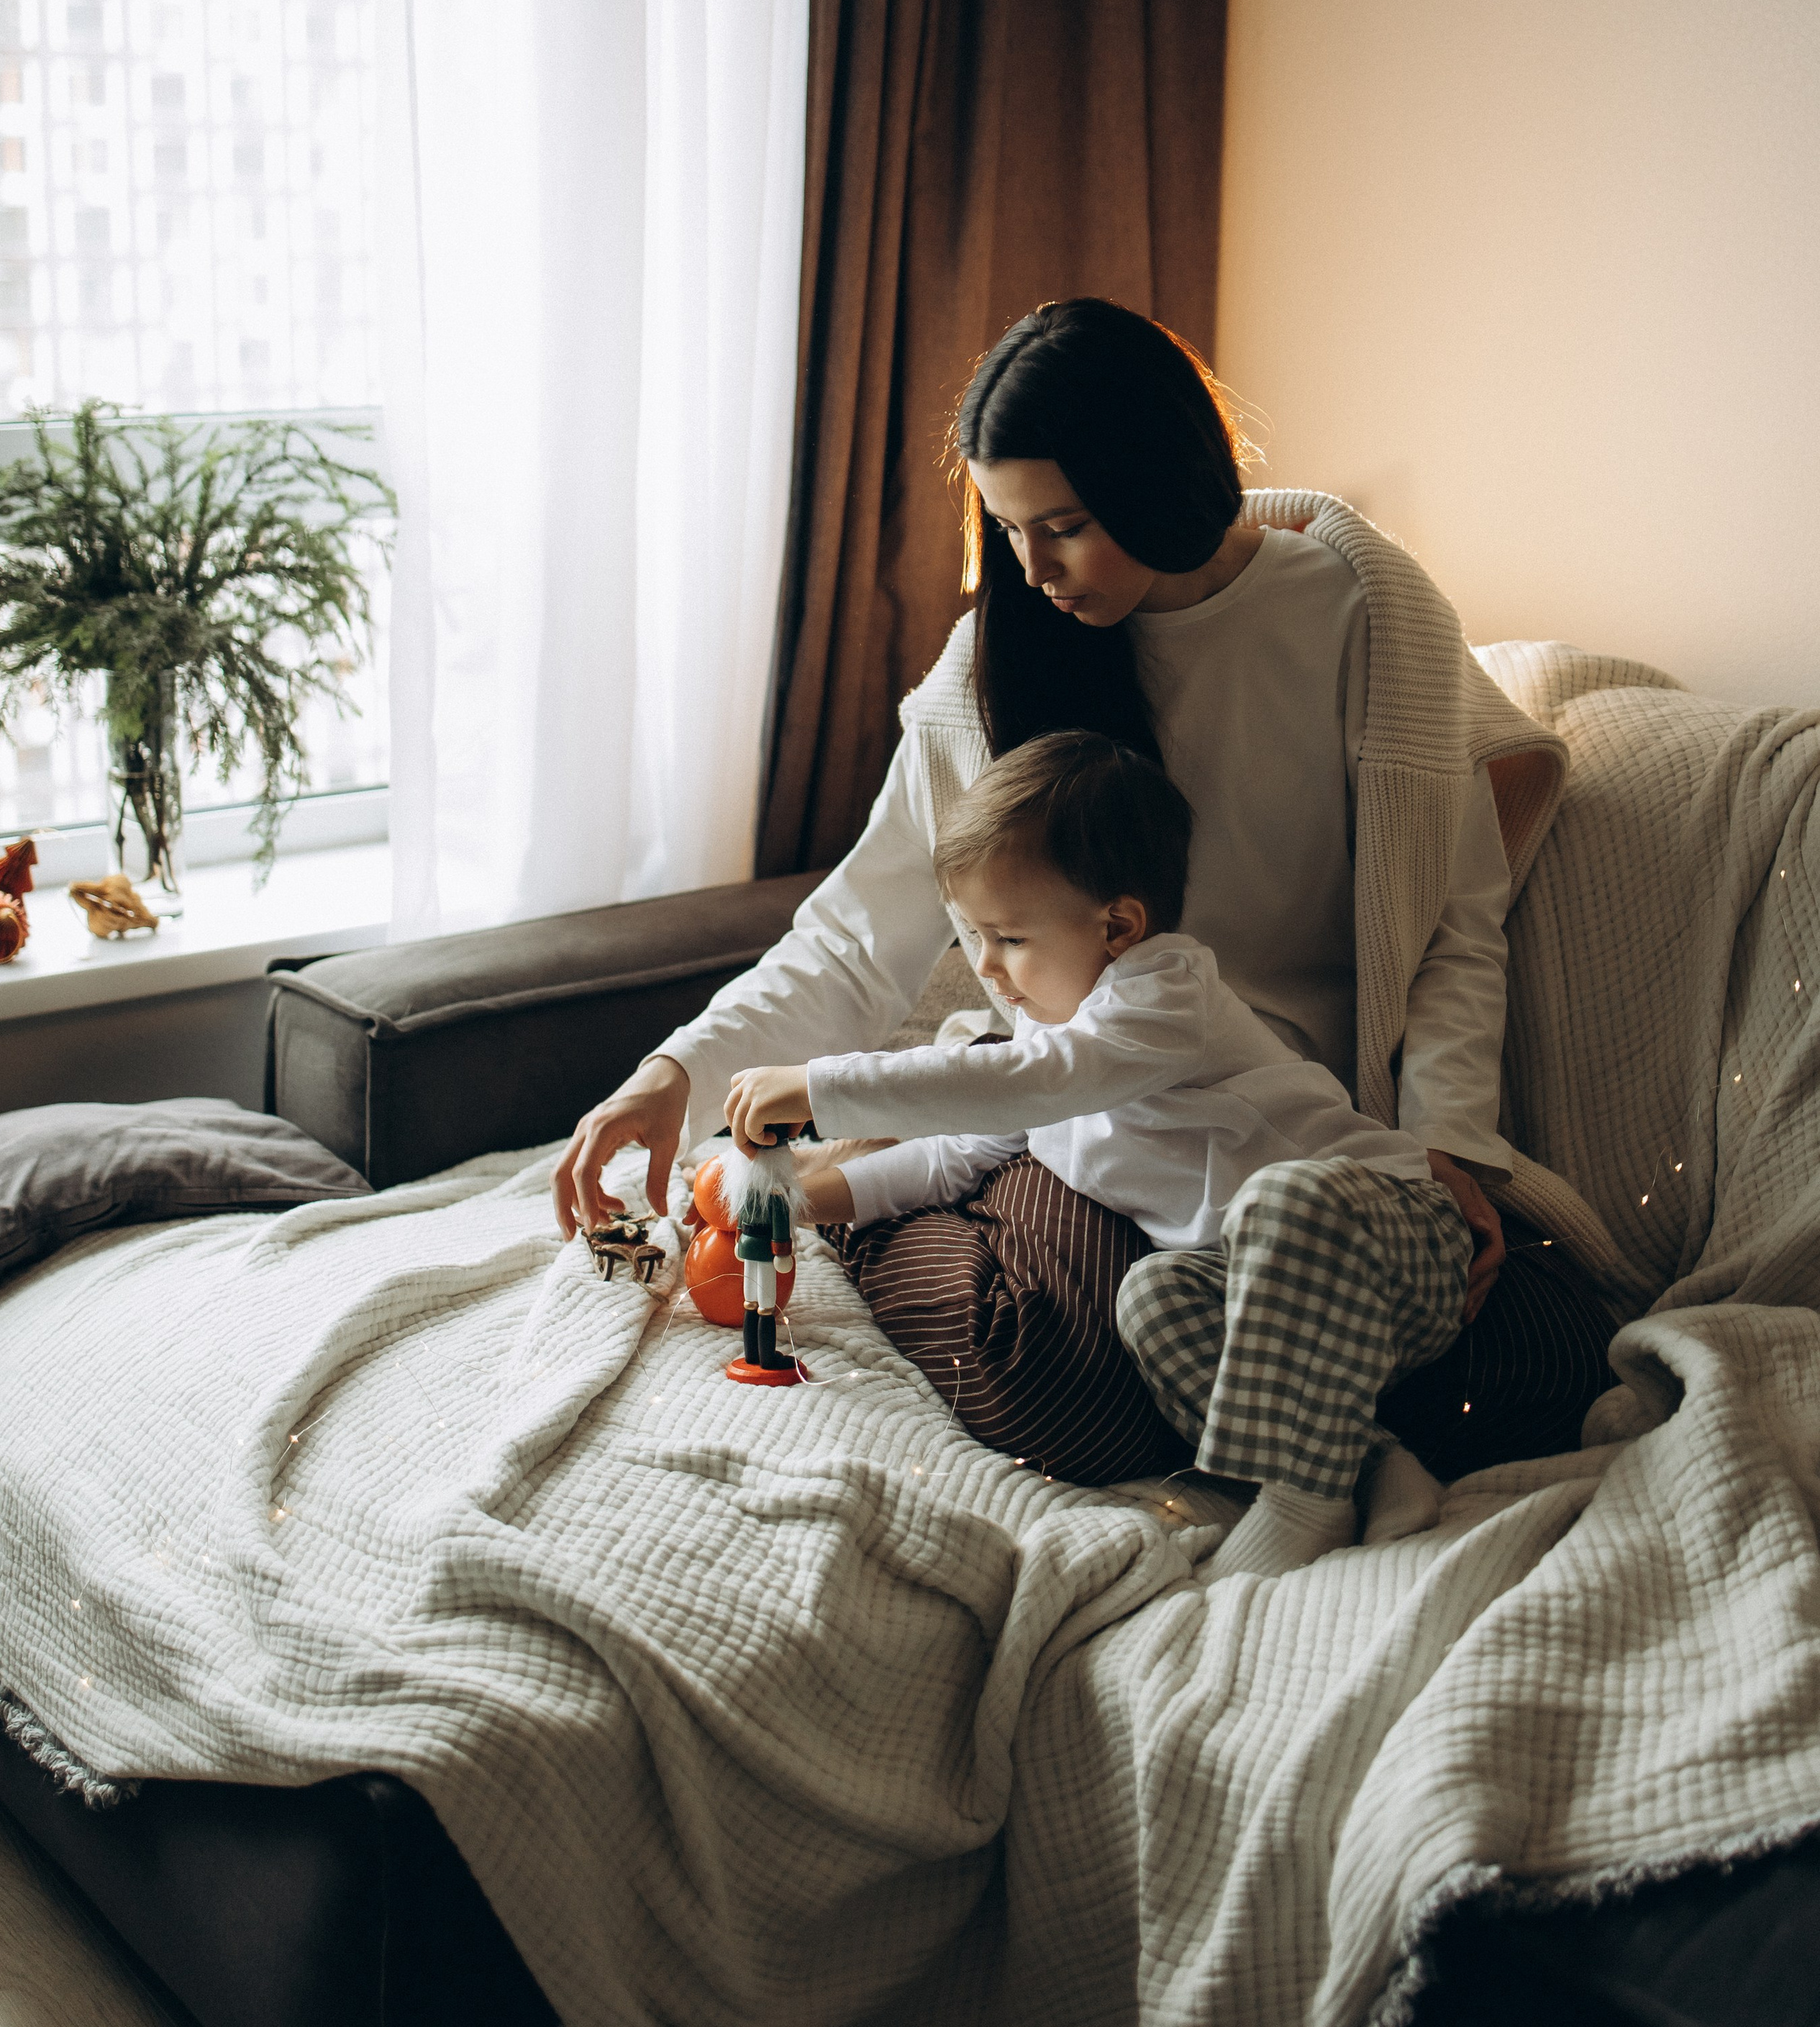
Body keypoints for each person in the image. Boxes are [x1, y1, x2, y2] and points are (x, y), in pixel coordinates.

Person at [554, 299, 1606, 1486]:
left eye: (1064, 527)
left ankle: (902, 1191)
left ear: (1162, 480)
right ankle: (869, 1203)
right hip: (1087, 1124)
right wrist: (672, 1075)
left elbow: (1457, 922)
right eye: (1008, 530)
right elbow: (859, 938)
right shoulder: (994, 675)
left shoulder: (1364, 624)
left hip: (1305, 1147)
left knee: (1545, 1365)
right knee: (1068, 1384)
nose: (1031, 571)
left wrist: (1446, 1147)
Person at [724, 731, 1470, 1575]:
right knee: (1151, 1296)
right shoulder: (1047, 1036)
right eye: (969, 935)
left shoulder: (1162, 997)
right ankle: (1368, 1462)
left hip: (1388, 1236)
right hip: (1264, 1297)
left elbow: (1035, 1082)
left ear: (1118, 926)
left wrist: (819, 1086)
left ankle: (1303, 1500)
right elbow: (957, 1156)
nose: (985, 967)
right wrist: (797, 1199)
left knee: (1283, 1199)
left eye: (1007, 937)